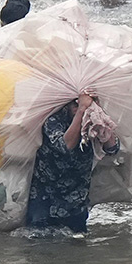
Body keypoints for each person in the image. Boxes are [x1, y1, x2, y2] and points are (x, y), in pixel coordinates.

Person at [25, 90, 120, 232]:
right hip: (46, 200)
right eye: (75, 104)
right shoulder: (53, 120)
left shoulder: (92, 122)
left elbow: (112, 148)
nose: (79, 108)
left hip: (76, 201)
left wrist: (99, 116)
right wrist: (81, 110)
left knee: (76, 246)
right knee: (40, 246)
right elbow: (66, 145)